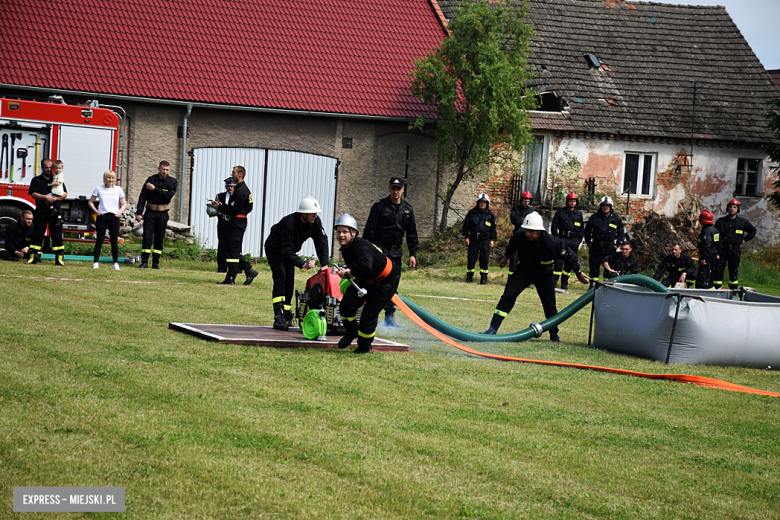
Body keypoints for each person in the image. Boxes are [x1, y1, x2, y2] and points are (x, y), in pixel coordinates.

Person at [482, 212, 589, 343]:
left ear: (539, 231)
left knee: (549, 306)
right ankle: (492, 329)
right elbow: (512, 246)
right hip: (524, 271)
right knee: (507, 296)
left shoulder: (552, 242)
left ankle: (554, 335)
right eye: (527, 230)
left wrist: (578, 272)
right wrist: (505, 258)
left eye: (531, 231)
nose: (528, 233)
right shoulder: (520, 236)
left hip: (544, 274)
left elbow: (570, 255)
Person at [334, 214, 400, 354]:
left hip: (385, 282)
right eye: (339, 232)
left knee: (368, 316)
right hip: (366, 279)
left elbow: (365, 265)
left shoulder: (361, 246)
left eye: (345, 232)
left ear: (354, 233)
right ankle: (351, 332)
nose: (341, 235)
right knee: (346, 305)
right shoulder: (347, 248)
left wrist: (347, 274)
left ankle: (364, 347)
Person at [264, 196, 330, 330]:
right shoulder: (289, 223)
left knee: (290, 281)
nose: (315, 216)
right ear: (304, 214)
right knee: (281, 276)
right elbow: (285, 249)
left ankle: (287, 314)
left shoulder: (315, 222)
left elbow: (321, 241)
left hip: (289, 251)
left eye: (316, 213)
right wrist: (302, 264)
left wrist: (324, 263)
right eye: (313, 213)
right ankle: (279, 315)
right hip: (275, 249)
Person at [363, 177, 419, 327]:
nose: (396, 192)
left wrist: (412, 253)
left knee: (393, 285)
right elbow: (370, 230)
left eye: (398, 189)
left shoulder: (407, 209)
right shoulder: (380, 206)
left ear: (402, 190)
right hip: (380, 251)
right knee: (375, 283)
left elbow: (412, 233)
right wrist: (366, 251)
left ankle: (389, 318)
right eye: (393, 188)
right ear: (389, 189)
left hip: (396, 253)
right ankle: (371, 316)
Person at [212, 166, 258, 286]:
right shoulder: (244, 189)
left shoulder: (240, 191)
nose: (231, 175)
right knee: (231, 250)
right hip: (238, 222)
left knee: (232, 250)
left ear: (240, 175)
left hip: (236, 223)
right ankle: (233, 276)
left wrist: (220, 207)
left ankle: (242, 272)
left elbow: (233, 210)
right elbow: (249, 207)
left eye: (233, 173)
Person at [135, 160, 177, 269]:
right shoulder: (151, 179)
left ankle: (155, 263)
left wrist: (155, 189)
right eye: (163, 169)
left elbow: (167, 196)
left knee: (159, 238)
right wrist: (139, 213)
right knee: (147, 237)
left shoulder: (172, 182)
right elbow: (142, 196)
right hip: (150, 212)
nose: (165, 172)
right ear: (159, 168)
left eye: (167, 170)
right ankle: (144, 262)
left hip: (163, 213)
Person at [27, 158, 67, 265]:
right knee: (37, 233)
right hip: (41, 210)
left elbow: (65, 194)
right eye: (47, 167)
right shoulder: (36, 180)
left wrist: (54, 199)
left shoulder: (57, 178)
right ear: (42, 168)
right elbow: (33, 194)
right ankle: (33, 257)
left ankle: (59, 258)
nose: (49, 169)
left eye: (51, 167)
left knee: (57, 234)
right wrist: (45, 197)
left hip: (55, 211)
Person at [713, 198, 756, 290]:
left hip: (735, 250)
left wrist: (745, 239)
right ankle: (716, 288)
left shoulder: (742, 222)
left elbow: (753, 230)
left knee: (734, 270)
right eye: (730, 207)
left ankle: (733, 289)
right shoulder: (721, 222)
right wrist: (716, 251)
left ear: (737, 209)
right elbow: (715, 236)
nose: (732, 209)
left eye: (734, 207)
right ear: (727, 208)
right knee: (718, 270)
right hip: (722, 250)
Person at [87, 170, 127, 270]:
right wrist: (96, 211)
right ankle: (96, 262)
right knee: (99, 240)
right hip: (102, 216)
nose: (111, 180)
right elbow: (90, 202)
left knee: (114, 240)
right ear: (105, 178)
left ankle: (115, 263)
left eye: (112, 178)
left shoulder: (118, 189)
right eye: (109, 178)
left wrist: (119, 213)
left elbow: (124, 204)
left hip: (114, 217)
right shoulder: (99, 189)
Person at [584, 196, 625, 282]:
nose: (605, 207)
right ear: (600, 206)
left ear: (611, 207)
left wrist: (617, 245)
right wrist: (589, 243)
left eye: (607, 205)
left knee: (608, 269)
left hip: (610, 247)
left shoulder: (616, 218)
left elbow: (621, 233)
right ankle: (593, 286)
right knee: (594, 268)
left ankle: (607, 286)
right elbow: (587, 231)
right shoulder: (594, 217)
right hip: (596, 246)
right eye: (603, 205)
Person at [551, 192, 584, 292]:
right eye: (571, 201)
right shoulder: (560, 212)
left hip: (573, 241)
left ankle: (564, 284)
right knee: (558, 262)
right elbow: (554, 226)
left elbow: (582, 229)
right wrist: (557, 239)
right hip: (562, 239)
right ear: (567, 201)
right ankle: (553, 284)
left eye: (574, 201)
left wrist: (578, 241)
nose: (572, 203)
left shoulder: (578, 214)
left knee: (569, 263)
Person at [461, 193, 496, 284]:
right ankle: (469, 277)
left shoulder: (490, 215)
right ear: (478, 202)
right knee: (472, 258)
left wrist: (492, 239)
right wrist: (466, 237)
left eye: (484, 202)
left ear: (487, 203)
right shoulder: (471, 213)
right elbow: (466, 226)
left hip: (485, 240)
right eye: (481, 202)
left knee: (484, 259)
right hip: (473, 239)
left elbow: (493, 228)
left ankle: (483, 278)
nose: (482, 204)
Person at [508, 190, 535, 275]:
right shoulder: (515, 209)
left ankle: (525, 279)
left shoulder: (532, 211)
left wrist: (522, 220)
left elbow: (534, 222)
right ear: (521, 200)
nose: (526, 202)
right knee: (514, 258)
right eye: (525, 201)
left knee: (527, 259)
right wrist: (526, 221)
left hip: (528, 238)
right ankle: (511, 278)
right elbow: (514, 220)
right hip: (517, 236)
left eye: (528, 201)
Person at [215, 177, 236, 273]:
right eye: (228, 186)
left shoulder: (237, 196)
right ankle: (221, 267)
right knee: (222, 245)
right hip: (223, 223)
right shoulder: (220, 196)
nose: (230, 188)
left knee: (234, 245)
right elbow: (216, 210)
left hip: (233, 223)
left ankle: (236, 268)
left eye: (232, 186)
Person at [695, 209, 719, 289]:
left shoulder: (706, 231)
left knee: (703, 277)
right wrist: (717, 253)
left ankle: (702, 291)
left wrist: (703, 257)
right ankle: (710, 288)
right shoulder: (715, 230)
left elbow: (706, 245)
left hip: (707, 257)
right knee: (710, 275)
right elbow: (718, 243)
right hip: (713, 255)